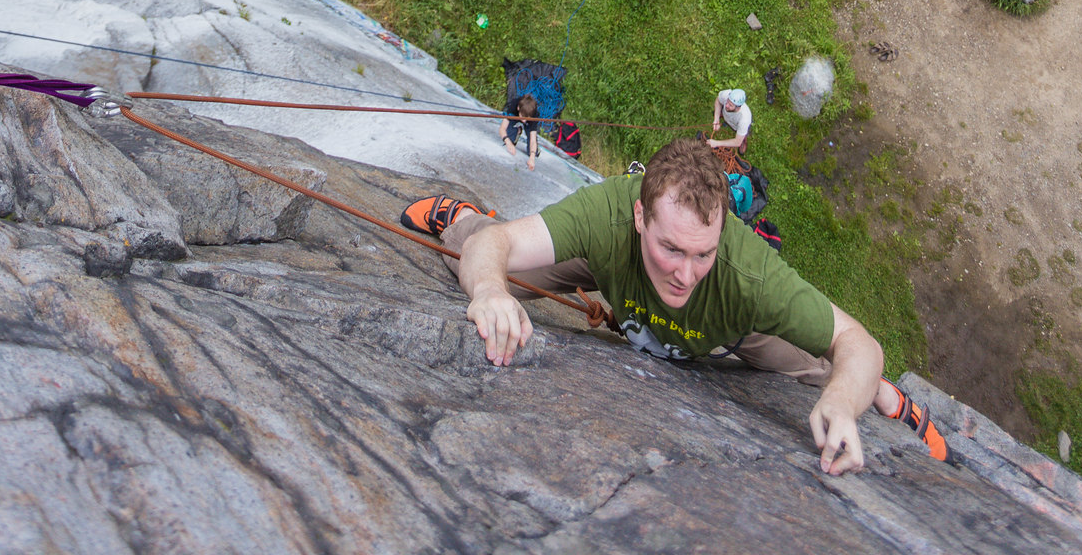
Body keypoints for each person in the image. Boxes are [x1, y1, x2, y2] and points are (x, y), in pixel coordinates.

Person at [401, 139, 946, 475]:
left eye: (702, 252)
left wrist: (845, 402)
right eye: (672, 249)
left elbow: (856, 340)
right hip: (610, 270)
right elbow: (497, 245)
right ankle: (460, 212)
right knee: (475, 255)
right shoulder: (608, 214)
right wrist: (490, 291)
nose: (686, 273)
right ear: (641, 218)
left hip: (731, 324)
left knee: (825, 372)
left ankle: (885, 396)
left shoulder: (747, 275)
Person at [501, 94, 540, 170]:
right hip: (514, 116)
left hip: (529, 122)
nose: (524, 121)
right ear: (518, 108)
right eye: (523, 117)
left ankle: (535, 150)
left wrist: (532, 158)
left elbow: (533, 139)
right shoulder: (513, 106)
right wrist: (508, 142)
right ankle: (518, 130)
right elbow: (502, 129)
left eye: (526, 118)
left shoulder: (534, 114)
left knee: (532, 152)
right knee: (509, 141)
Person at [709, 87, 751, 154]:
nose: (726, 105)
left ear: (738, 107)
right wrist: (716, 119)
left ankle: (743, 139)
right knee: (725, 112)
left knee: (741, 136)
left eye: (730, 105)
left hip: (736, 126)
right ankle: (724, 117)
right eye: (727, 102)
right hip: (728, 117)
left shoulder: (744, 119)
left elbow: (737, 142)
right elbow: (718, 100)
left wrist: (716, 143)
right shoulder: (726, 94)